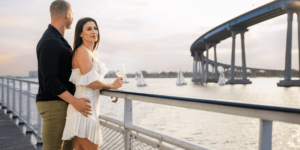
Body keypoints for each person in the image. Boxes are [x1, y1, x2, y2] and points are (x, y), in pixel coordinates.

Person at [36, 1, 93, 149]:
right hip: (54, 104)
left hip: (63, 103)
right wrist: (75, 102)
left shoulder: (58, 40)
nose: (73, 18)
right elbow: (50, 79)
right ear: (67, 15)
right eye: (72, 14)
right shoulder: (50, 42)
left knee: (69, 147)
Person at [61, 17, 123, 150]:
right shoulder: (82, 51)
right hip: (85, 109)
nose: (94, 31)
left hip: (88, 109)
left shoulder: (92, 53)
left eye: (95, 28)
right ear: (80, 34)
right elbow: (91, 83)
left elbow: (95, 80)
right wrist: (112, 86)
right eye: (89, 29)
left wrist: (109, 89)